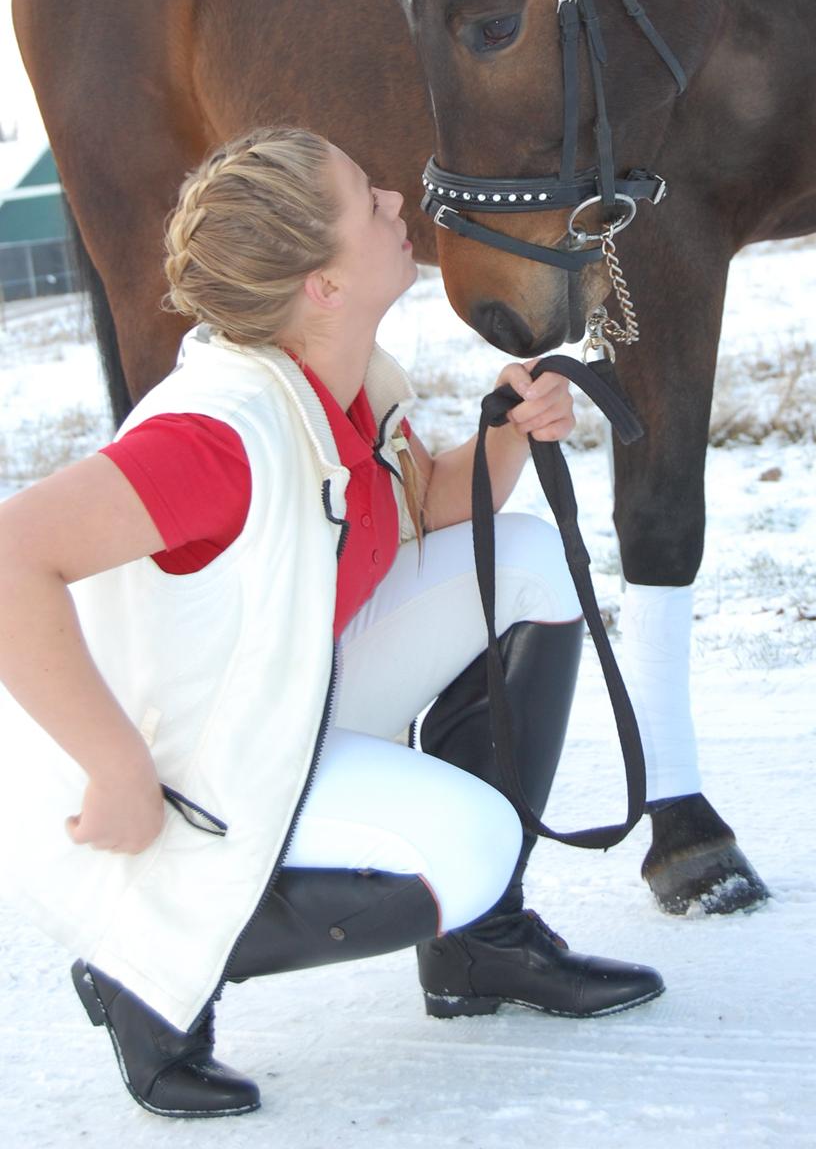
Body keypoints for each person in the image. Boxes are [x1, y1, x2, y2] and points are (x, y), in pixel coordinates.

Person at [0, 126, 663, 1120]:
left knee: (523, 557)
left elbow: (430, 508)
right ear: (320, 282)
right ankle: (141, 960)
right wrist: (116, 767)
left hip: (286, 696)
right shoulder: (216, 433)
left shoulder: (344, 373)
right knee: (470, 842)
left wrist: (505, 427)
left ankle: (478, 952)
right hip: (193, 764)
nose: (397, 201)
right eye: (368, 200)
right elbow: (12, 554)